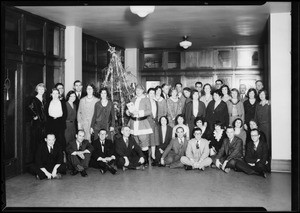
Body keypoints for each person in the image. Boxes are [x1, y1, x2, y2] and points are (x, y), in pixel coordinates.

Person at [126, 84, 153, 166]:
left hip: (142, 123)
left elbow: (149, 111)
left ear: (143, 91)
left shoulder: (146, 99)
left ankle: (145, 161)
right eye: (136, 90)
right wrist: (127, 112)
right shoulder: (133, 98)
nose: (138, 91)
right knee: (136, 142)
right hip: (133, 123)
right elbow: (130, 109)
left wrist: (139, 113)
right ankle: (139, 160)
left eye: (139, 90)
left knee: (144, 141)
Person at [28, 83, 47, 163]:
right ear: (37, 90)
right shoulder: (33, 99)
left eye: (42, 89)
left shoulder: (44, 99)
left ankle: (42, 160)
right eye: (39, 89)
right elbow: (29, 108)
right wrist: (34, 116)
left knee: (43, 141)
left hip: (44, 124)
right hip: (37, 125)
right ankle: (36, 162)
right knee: (36, 142)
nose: (41, 90)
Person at [147, 88, 160, 163]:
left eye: (153, 93)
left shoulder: (156, 102)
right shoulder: (146, 102)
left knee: (154, 140)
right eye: (150, 93)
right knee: (147, 140)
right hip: (147, 123)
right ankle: (147, 156)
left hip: (155, 123)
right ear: (148, 94)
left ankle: (153, 155)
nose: (152, 95)